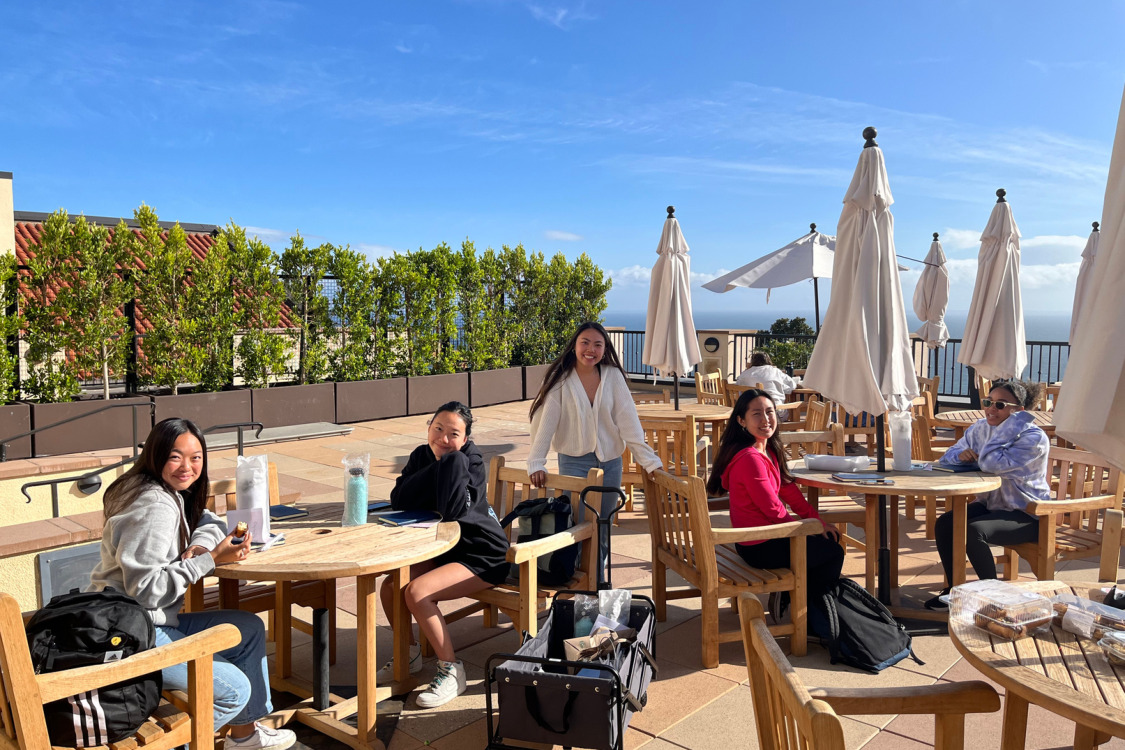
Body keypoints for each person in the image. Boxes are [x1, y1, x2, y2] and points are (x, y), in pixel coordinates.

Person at [88, 418, 296, 750]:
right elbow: (146, 589)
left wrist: (198, 547)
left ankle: (245, 738)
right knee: (235, 690)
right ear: (156, 455)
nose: (188, 466)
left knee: (247, 627)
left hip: (151, 622)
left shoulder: (166, 491)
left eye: (195, 457)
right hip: (133, 636)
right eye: (176, 456)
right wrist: (211, 559)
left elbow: (207, 517)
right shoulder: (155, 507)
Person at [377, 401, 509, 708]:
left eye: (453, 434)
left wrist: (448, 464)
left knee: (418, 592)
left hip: (482, 555)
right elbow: (399, 499)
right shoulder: (421, 455)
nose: (443, 439)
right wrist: (436, 465)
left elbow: (452, 511)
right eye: (438, 429)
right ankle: (408, 655)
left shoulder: (469, 461)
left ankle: (452, 670)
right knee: (390, 586)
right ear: (429, 427)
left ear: (465, 440)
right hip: (444, 550)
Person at [528, 321, 663, 561]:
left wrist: (650, 461)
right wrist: (536, 462)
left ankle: (599, 585)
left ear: (605, 349)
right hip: (574, 462)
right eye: (585, 343)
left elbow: (628, 422)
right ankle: (578, 584)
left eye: (598, 344)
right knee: (577, 528)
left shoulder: (612, 377)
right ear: (574, 346)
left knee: (604, 526)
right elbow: (546, 422)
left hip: (611, 463)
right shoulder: (561, 378)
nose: (591, 349)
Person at [706, 388, 843, 608]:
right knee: (832, 552)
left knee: (826, 539)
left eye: (770, 412)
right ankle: (812, 615)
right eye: (757, 414)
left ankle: (800, 601)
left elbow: (790, 492)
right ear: (742, 421)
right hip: (758, 545)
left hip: (766, 537)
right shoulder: (750, 458)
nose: (766, 419)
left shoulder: (767, 449)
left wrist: (818, 523)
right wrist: (807, 530)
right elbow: (773, 509)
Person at [925, 379, 1050, 611]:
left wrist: (1009, 427)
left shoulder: (1033, 438)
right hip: (992, 506)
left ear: (1019, 411)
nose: (991, 409)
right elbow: (947, 457)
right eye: (988, 402)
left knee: (974, 531)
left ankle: (992, 600)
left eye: (1000, 405)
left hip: (1029, 514)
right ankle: (955, 590)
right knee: (946, 523)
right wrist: (962, 454)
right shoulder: (980, 428)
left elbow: (992, 464)